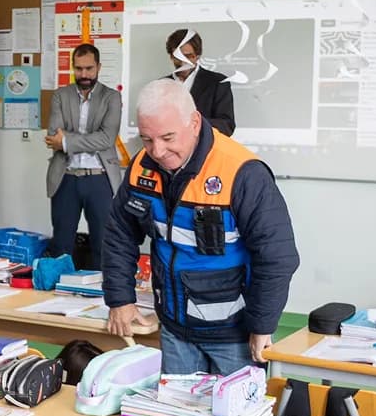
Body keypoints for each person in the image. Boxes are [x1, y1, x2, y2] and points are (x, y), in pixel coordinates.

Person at [103, 79, 298, 375]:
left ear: (194, 123)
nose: (157, 150)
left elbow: (277, 256)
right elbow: (119, 234)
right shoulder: (141, 167)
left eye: (168, 137)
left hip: (234, 335)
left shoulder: (241, 172)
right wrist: (120, 299)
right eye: (146, 139)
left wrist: (262, 325)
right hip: (174, 328)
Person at [45, 43, 122, 265]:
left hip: (100, 177)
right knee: (61, 244)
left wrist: (68, 140)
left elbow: (106, 138)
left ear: (98, 66)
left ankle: (105, 295)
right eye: (78, 69)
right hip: (65, 176)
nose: (84, 74)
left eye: (89, 68)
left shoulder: (111, 98)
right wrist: (84, 140)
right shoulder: (60, 96)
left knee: (103, 243)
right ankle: (57, 295)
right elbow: (53, 136)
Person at [163, 29, 235, 136]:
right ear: (171, 57)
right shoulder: (161, 85)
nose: (183, 62)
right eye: (178, 57)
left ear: (198, 56)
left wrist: (191, 122)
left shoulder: (218, 82)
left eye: (188, 56)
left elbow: (227, 126)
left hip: (205, 150)